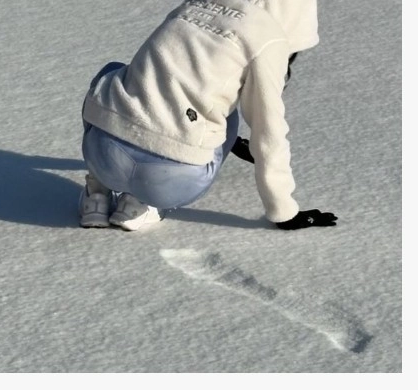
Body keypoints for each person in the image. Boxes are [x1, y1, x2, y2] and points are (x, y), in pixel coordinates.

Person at [78, 0, 337, 232]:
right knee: (227, 117)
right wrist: (285, 213)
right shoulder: (269, 39)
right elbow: (268, 132)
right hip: (169, 182)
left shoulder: (192, 7)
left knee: (114, 73)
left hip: (102, 155)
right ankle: (143, 204)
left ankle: (97, 194)